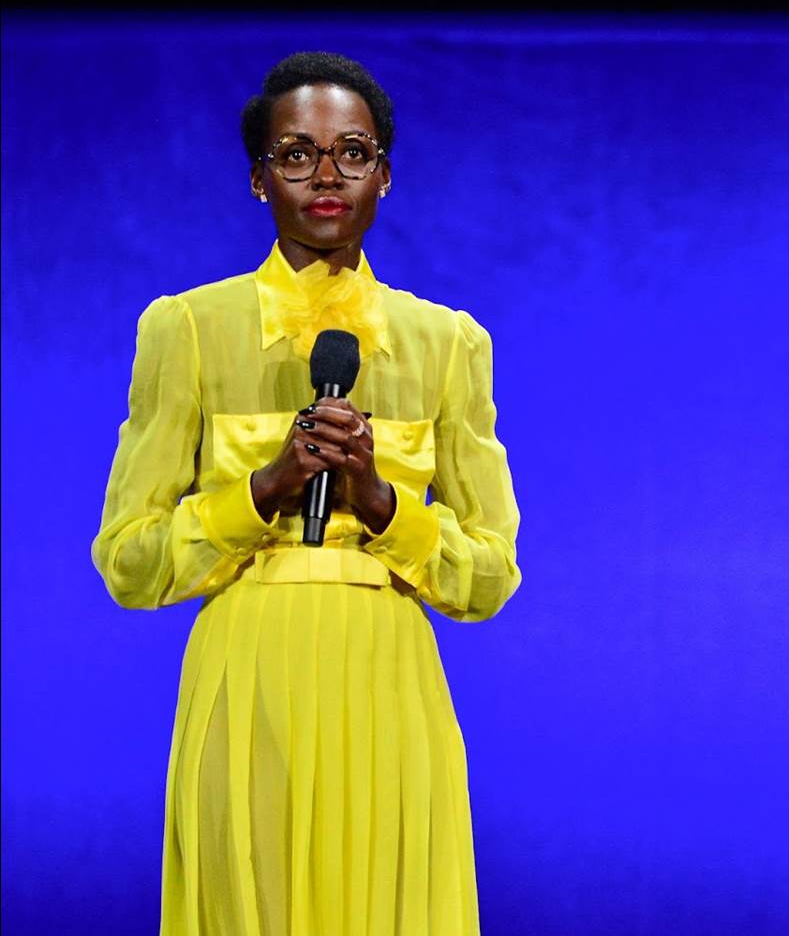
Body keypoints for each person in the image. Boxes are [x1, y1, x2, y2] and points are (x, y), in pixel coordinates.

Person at [92, 51, 522, 935]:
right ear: (258, 177)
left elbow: (488, 575)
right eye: (296, 153)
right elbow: (129, 562)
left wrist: (381, 502)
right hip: (247, 676)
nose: (327, 175)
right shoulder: (187, 330)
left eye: (352, 153)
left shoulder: (448, 344)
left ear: (385, 176)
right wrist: (265, 488)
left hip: (387, 685)